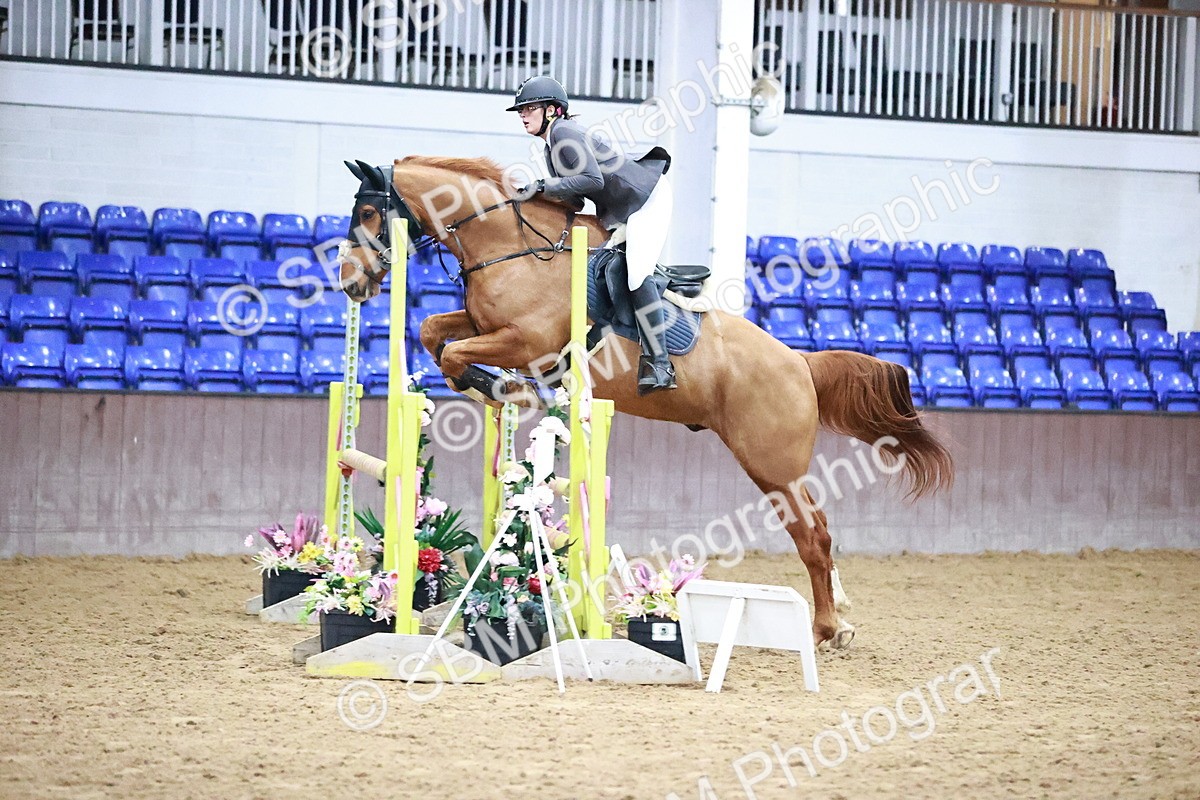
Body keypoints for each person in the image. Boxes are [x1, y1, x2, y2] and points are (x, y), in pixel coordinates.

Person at [506, 75, 677, 395]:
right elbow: (574, 199)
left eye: (529, 108)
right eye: (521, 110)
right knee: (610, 271)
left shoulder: (565, 132)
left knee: (637, 274)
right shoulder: (551, 147)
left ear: (553, 111)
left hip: (646, 199)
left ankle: (661, 363)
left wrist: (542, 186)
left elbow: (592, 179)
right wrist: (531, 201)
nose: (523, 114)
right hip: (624, 207)